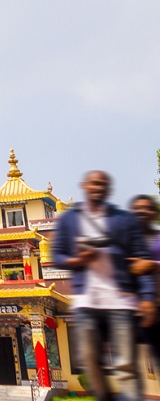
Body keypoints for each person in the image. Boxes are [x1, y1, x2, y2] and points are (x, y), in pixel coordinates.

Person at [54, 170, 155, 401]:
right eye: (93, 183)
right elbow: (58, 255)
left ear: (109, 189)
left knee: (126, 364)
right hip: (86, 302)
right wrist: (77, 260)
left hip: (121, 300)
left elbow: (142, 259)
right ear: (84, 186)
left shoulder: (124, 219)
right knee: (89, 360)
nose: (98, 187)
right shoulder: (70, 219)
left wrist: (148, 296)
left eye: (103, 183)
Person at [129, 194, 160, 369]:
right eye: (137, 208)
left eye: (146, 208)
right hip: (141, 312)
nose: (142, 212)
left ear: (154, 213)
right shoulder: (127, 242)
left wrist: (152, 265)